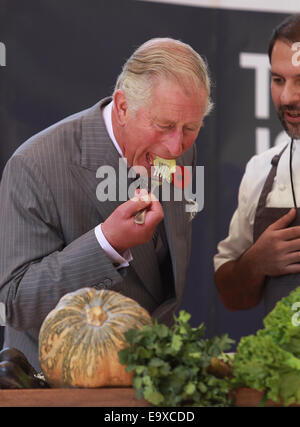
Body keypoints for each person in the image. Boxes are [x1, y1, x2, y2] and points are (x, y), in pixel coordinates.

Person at [0, 37, 212, 369]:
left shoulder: (184, 150)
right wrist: (107, 244)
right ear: (124, 106)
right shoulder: (34, 165)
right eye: (165, 126)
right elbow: (15, 302)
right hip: (59, 387)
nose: (175, 147)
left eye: (191, 127)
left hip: (148, 384)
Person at [214, 14, 300, 316]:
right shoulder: (261, 169)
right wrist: (256, 262)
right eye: (278, 80)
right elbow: (232, 296)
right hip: (282, 363)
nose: (287, 96)